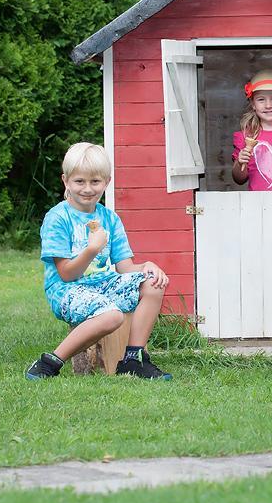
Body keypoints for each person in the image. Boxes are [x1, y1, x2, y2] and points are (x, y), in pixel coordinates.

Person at [26, 143, 172, 380]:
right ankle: (49, 362)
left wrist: (147, 267)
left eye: (95, 182)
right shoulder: (57, 218)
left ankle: (134, 360)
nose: (87, 189)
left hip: (105, 284)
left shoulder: (109, 218)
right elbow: (66, 274)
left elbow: (125, 268)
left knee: (153, 283)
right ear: (66, 181)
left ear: (107, 182)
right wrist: (92, 249)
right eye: (79, 181)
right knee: (112, 315)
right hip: (67, 290)